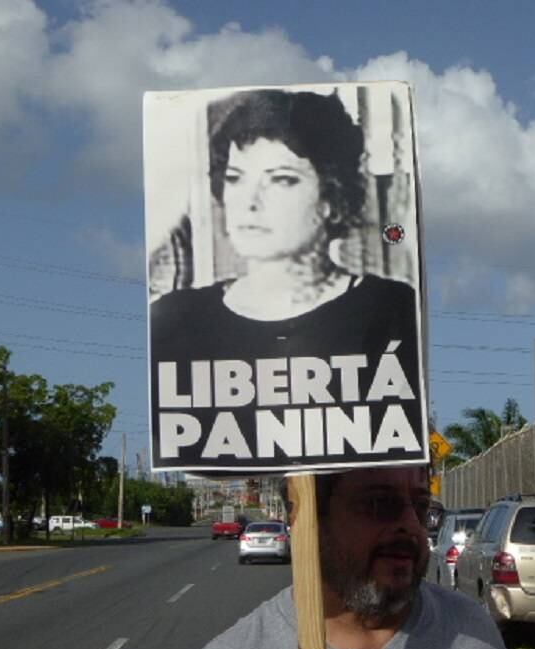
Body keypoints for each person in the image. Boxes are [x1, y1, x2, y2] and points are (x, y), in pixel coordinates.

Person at [152, 465, 532, 649]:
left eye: (420, 507)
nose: (410, 526)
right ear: (308, 516)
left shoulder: (472, 634)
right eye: (379, 504)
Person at [149, 88, 424, 470]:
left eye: (280, 179)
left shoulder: (393, 307)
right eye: (234, 178)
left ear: (331, 197)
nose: (249, 201)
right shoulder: (175, 318)